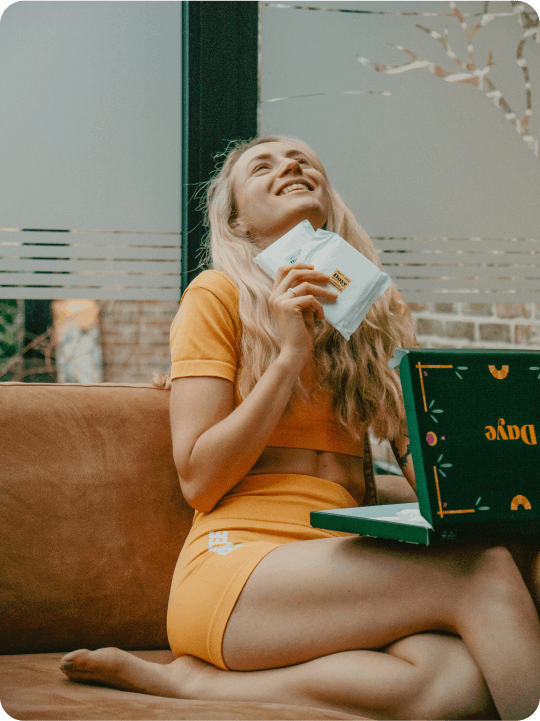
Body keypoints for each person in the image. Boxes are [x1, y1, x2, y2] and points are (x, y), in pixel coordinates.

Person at [61, 136, 540, 720]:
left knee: (457, 686)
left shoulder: (375, 314)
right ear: (238, 219)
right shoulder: (217, 297)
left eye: (303, 162)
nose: (290, 166)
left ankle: (196, 686)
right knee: (483, 571)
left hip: (335, 560)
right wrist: (288, 357)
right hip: (238, 565)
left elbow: (422, 476)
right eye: (263, 167)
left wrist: (419, 430)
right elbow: (199, 481)